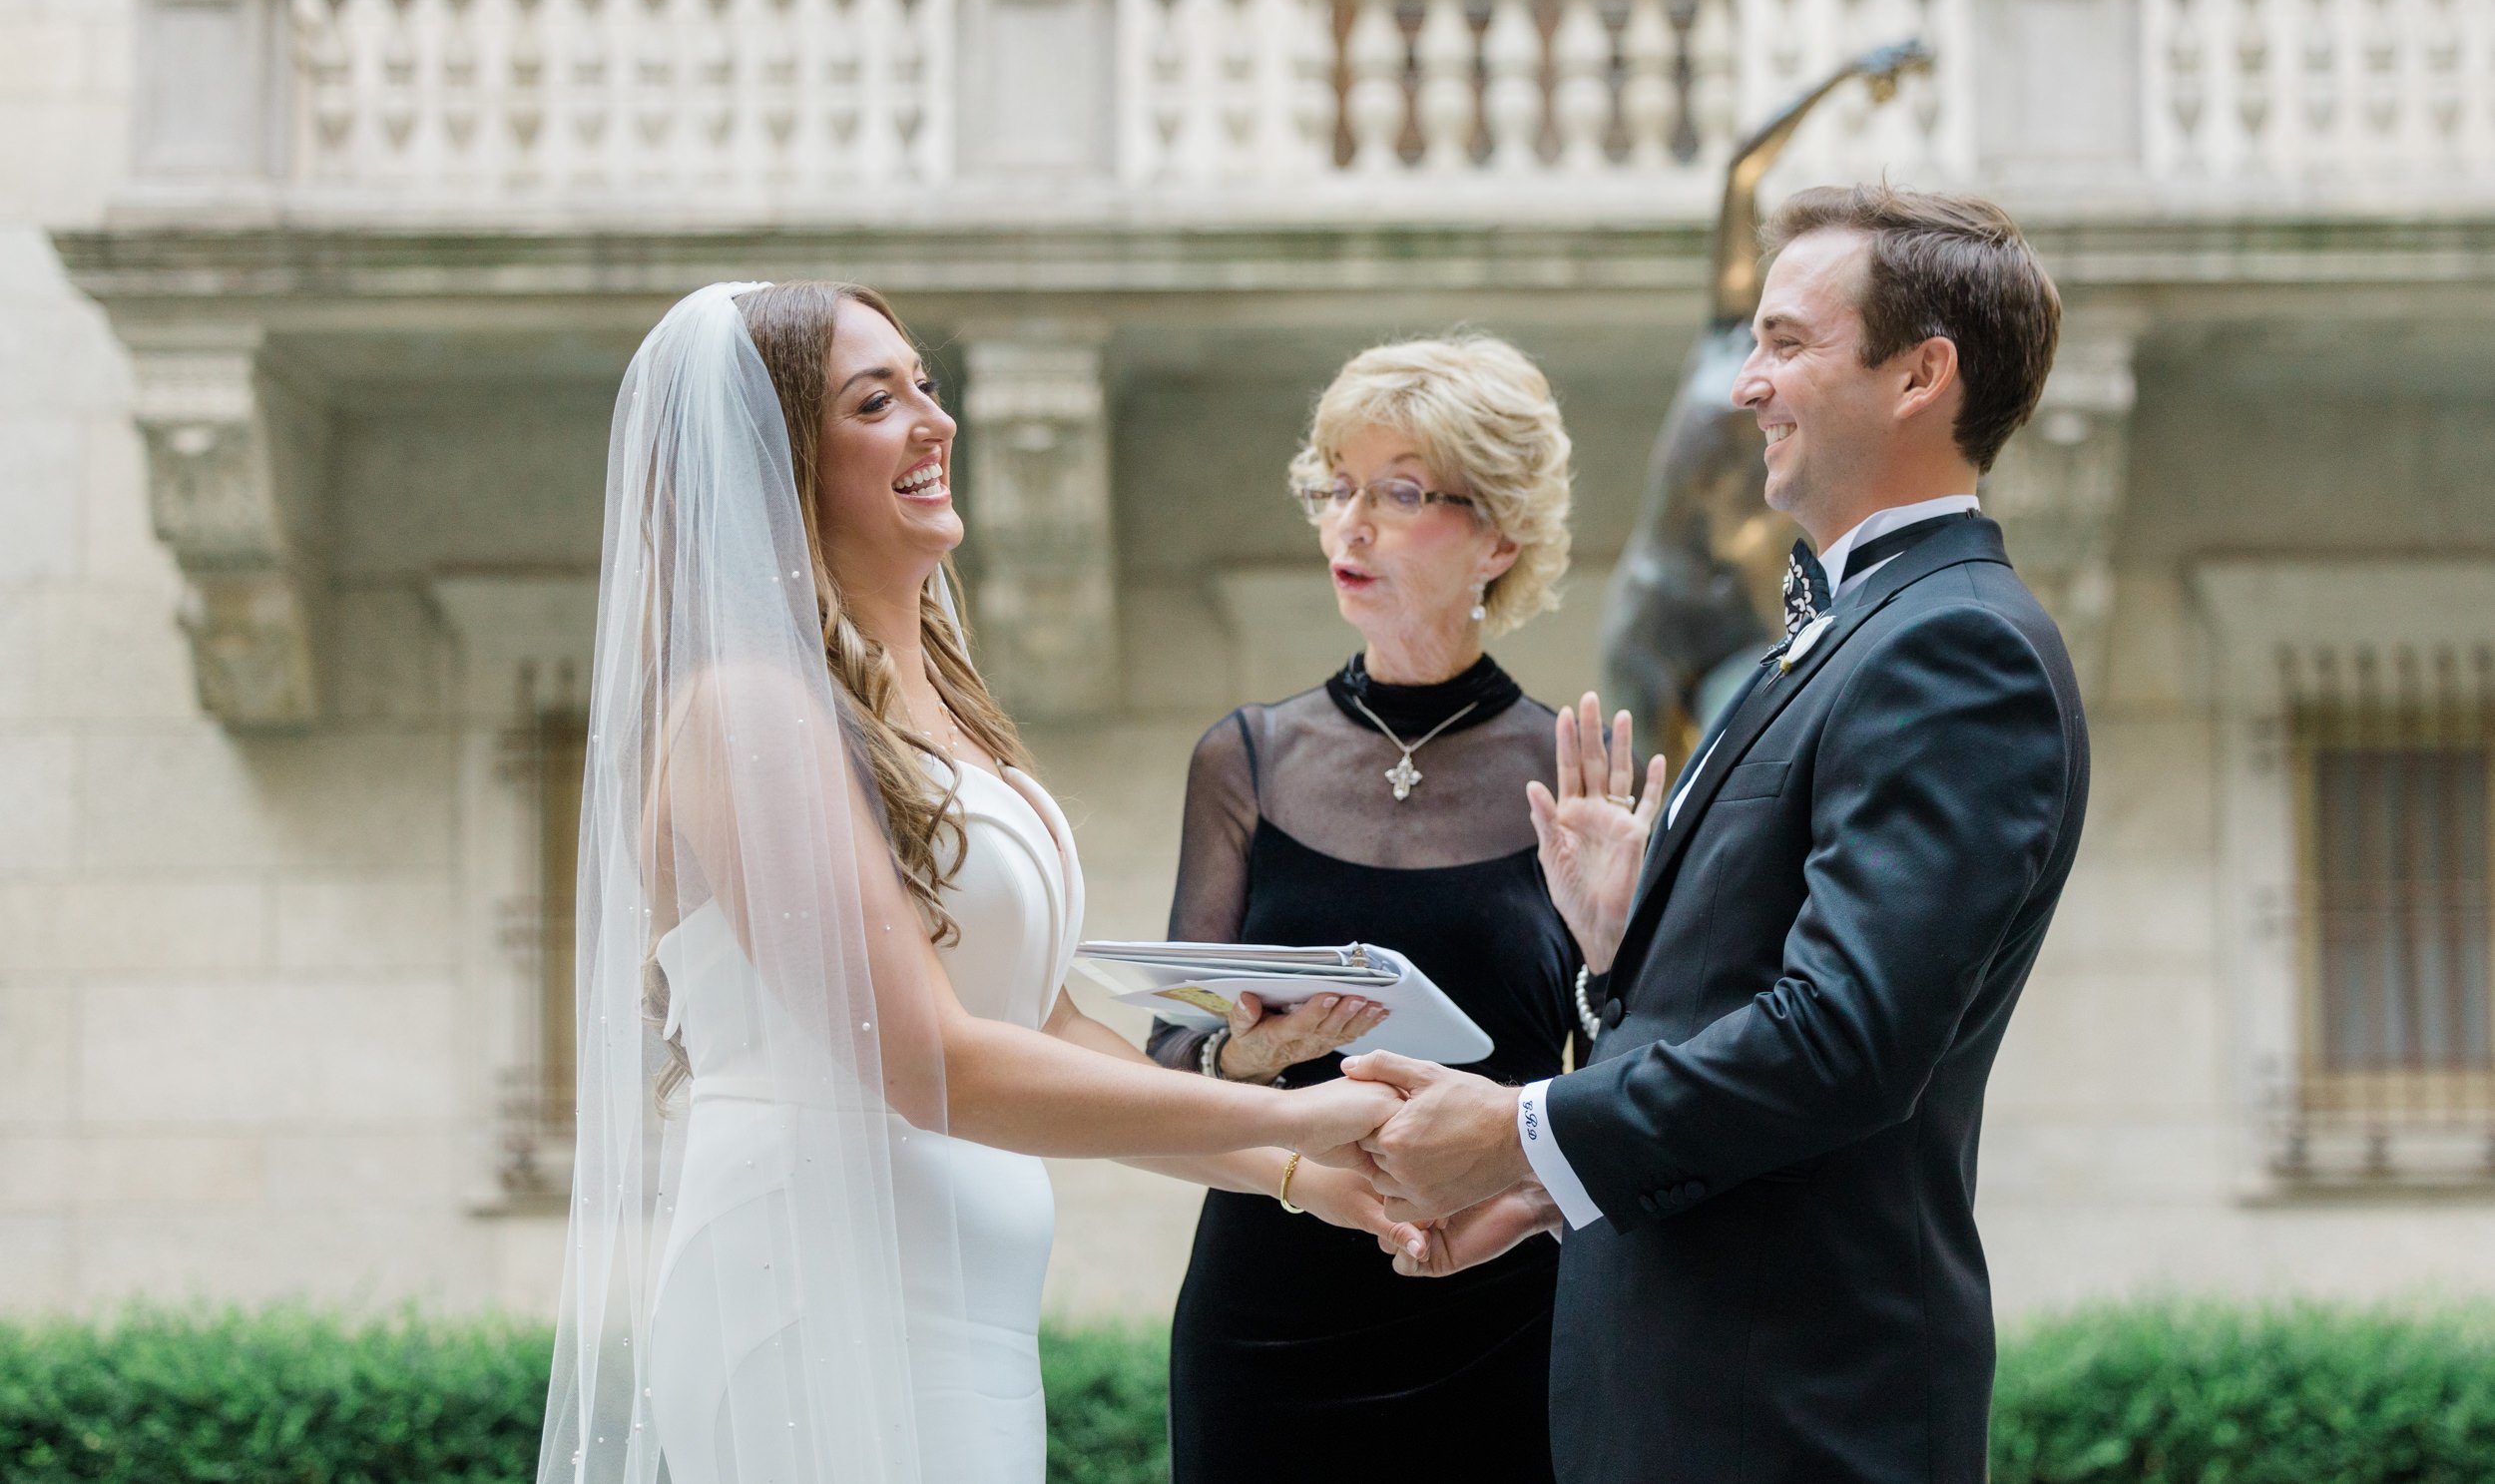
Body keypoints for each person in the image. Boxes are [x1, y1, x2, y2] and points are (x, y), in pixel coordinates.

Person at [538, 281, 1412, 1484]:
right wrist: (1287, 1114)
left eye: (926, 385)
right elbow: (931, 1058)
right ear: (779, 462)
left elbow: (1034, 1023)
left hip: (955, 1302)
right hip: (814, 1289)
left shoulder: (935, 703)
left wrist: (1302, 1176)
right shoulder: (747, 706)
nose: (931, 420)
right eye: (874, 400)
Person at [1344, 187, 2090, 1484]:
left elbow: (1843, 1038)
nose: (1745, 386)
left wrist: (1526, 1126)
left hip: (1794, 1420)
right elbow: (1753, 1014)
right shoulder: (1855, 632)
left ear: (1921, 373)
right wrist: (1625, 955)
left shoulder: (1956, 648)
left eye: (1787, 342)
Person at [1147, 335, 1651, 1484]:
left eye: (1402, 491)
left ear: (1501, 534)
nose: (1351, 524)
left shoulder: (1572, 781)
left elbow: (1634, 1066)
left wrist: (1615, 945)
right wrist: (1243, 1045)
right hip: (1264, 1311)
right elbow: (1167, 1061)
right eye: (1338, 487)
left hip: (1497, 1303)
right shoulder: (1246, 760)